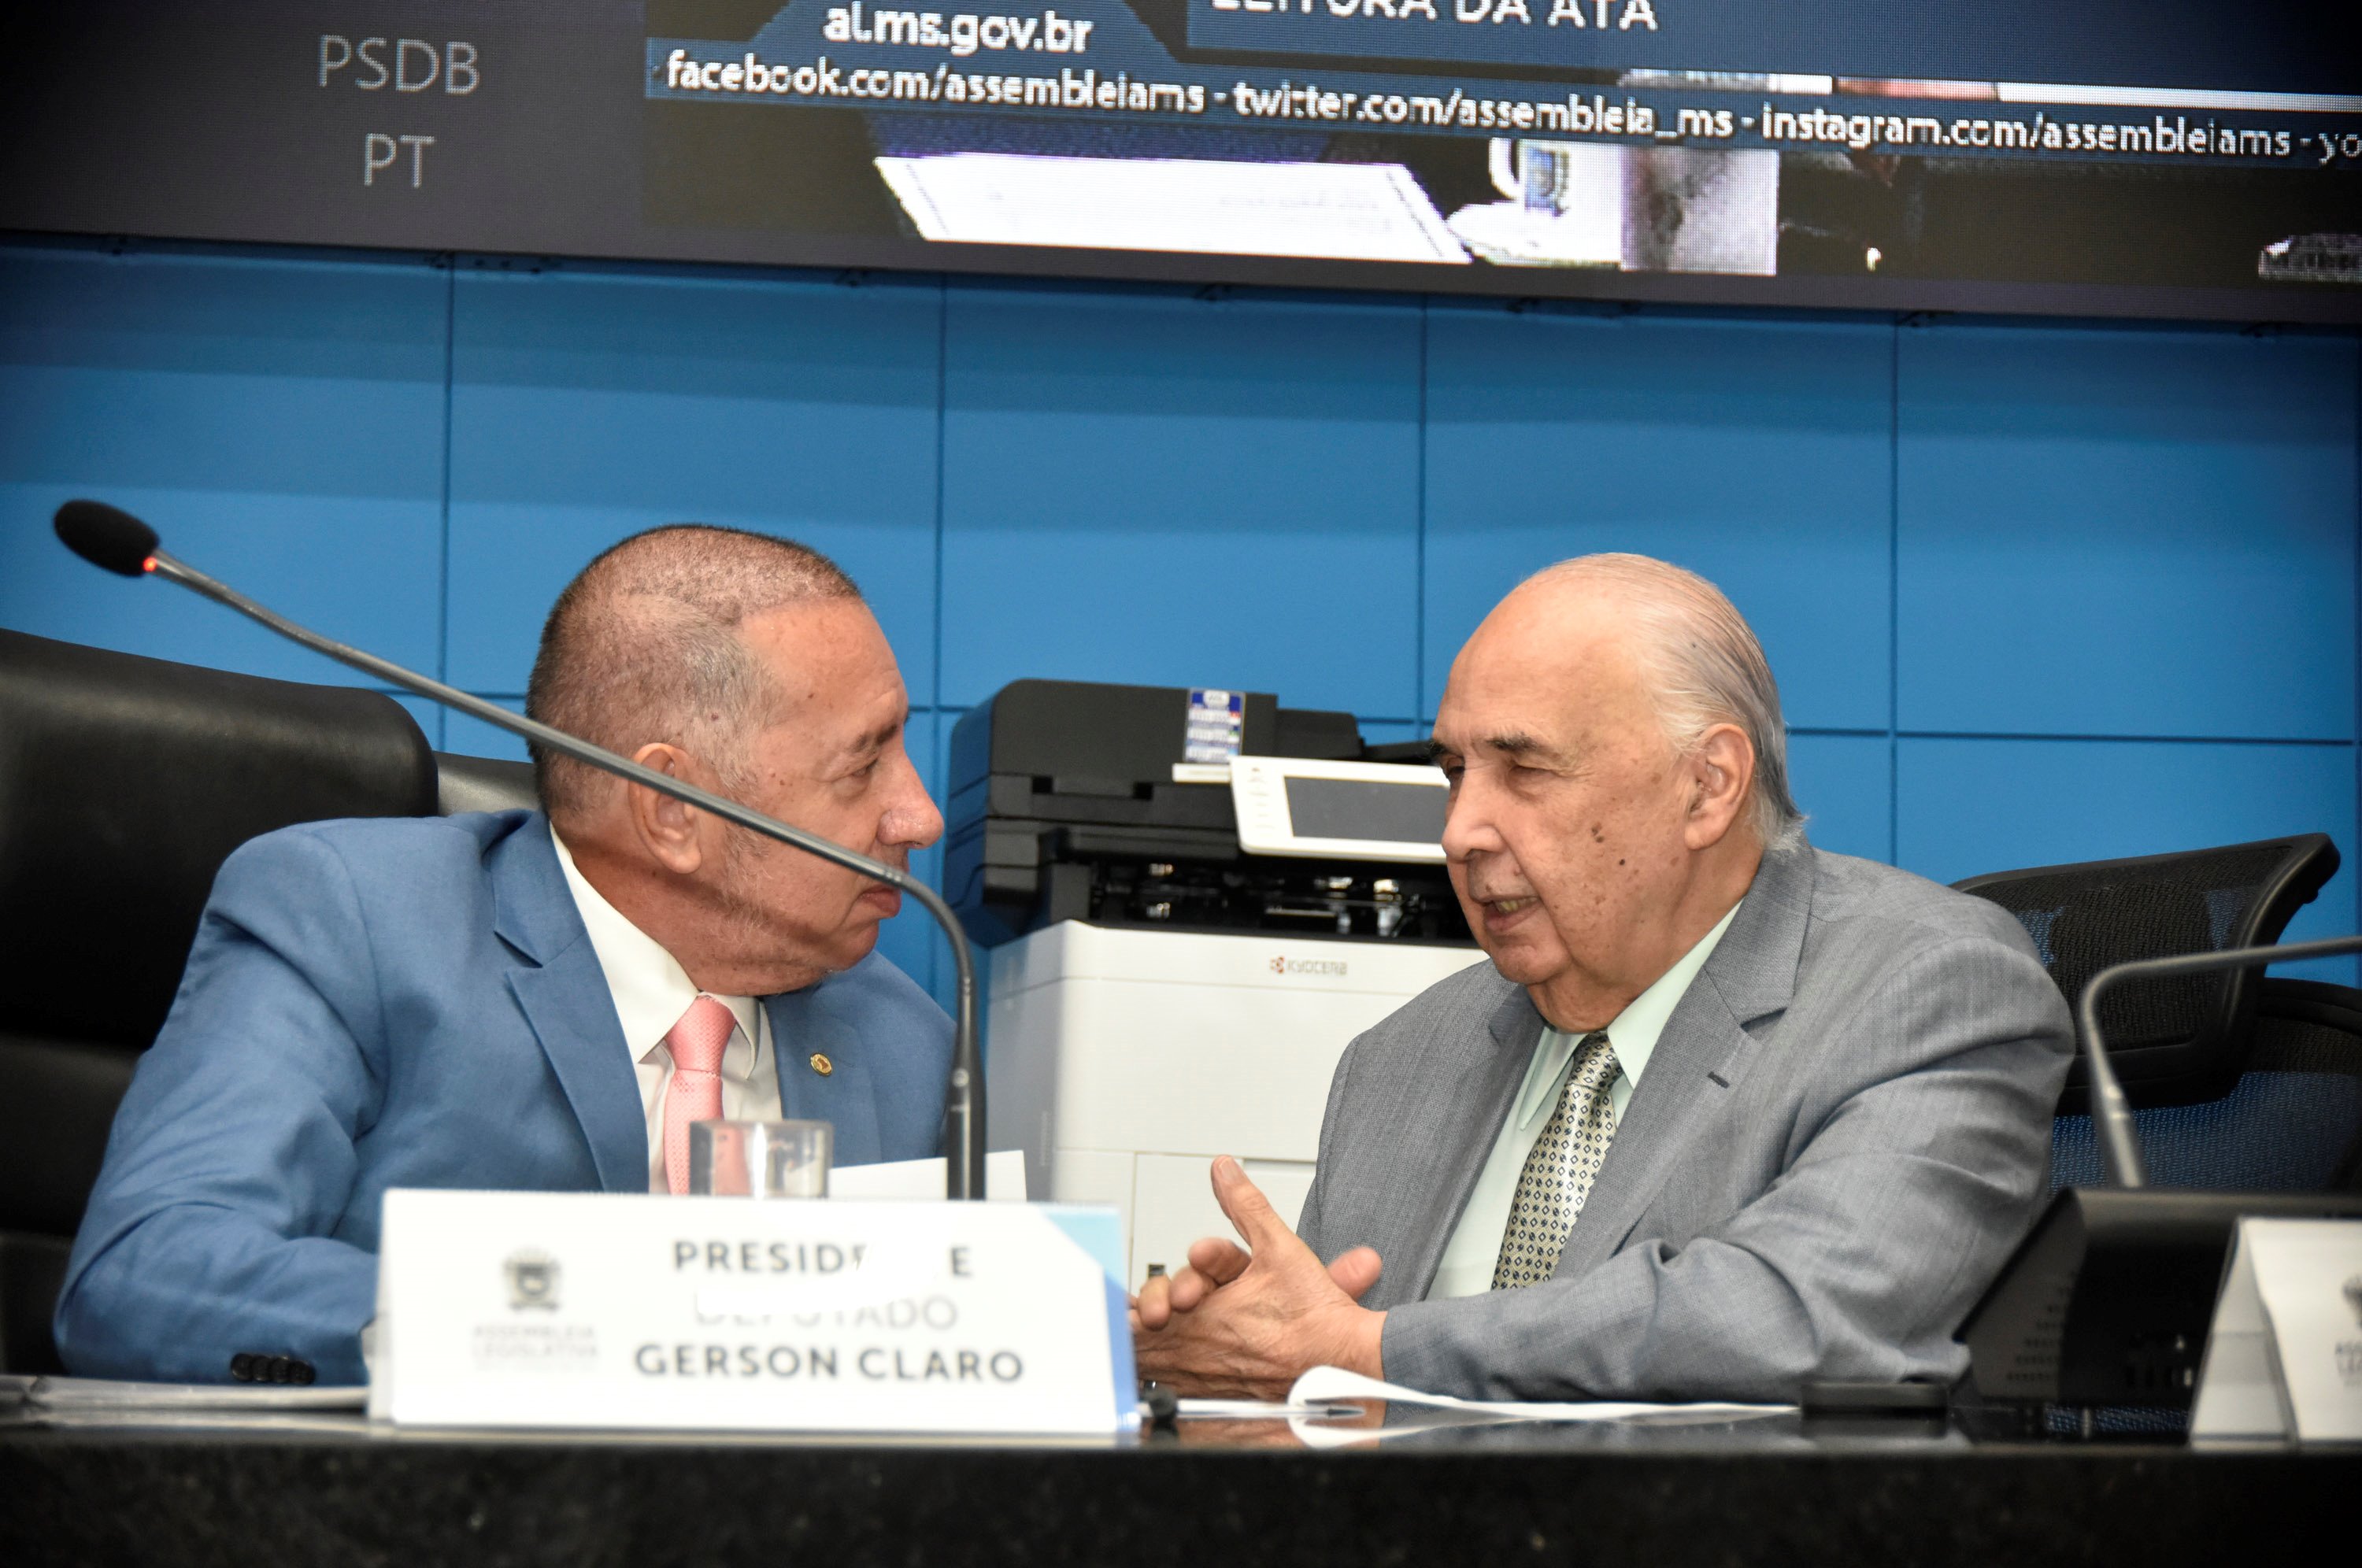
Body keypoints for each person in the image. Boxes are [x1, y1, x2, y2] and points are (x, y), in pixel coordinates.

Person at [1132, 554, 2072, 1402]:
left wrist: (1374, 1350)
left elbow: (1802, 1316)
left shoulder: (1928, 990)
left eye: (1524, 769)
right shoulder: (1401, 1058)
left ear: (1708, 785)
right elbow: (1319, 1380)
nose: (1459, 831)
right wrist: (1232, 1359)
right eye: (1455, 770)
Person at [56, 526, 950, 1385]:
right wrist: (550, 1324)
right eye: (860, 768)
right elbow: (145, 1278)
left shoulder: (906, 1039)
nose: (921, 817)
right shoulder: (358, 922)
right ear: (675, 810)